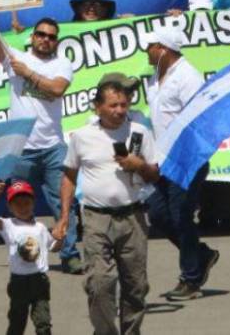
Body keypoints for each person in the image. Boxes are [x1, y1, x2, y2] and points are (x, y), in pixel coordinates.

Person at [0, 0, 82, 272]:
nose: (45, 40)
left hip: (53, 146)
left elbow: (56, 89)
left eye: (51, 36)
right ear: (32, 37)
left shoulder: (61, 63)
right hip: (22, 149)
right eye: (40, 34)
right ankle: (23, 252)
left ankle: (69, 254)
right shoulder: (15, 57)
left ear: (57, 41)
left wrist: (28, 74)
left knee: (63, 203)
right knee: (17, 204)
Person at [53, 77, 158, 335]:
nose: (120, 110)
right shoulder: (82, 137)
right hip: (96, 218)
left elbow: (155, 174)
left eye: (124, 105)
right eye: (113, 105)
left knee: (135, 286)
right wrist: (64, 217)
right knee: (100, 283)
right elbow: (68, 176)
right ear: (97, 106)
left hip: (133, 217)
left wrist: (139, 166)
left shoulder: (140, 133)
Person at [142, 23, 219, 301]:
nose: (146, 50)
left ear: (164, 49)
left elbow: (200, 117)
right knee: (159, 214)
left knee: (181, 215)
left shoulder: (187, 76)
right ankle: (200, 254)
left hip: (186, 158)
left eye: (150, 46)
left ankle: (190, 278)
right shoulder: (155, 76)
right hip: (161, 160)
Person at [0, 180, 53, 335]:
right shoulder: (8, 225)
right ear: (10, 207)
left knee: (43, 322)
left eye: (26, 203)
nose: (23, 207)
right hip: (19, 282)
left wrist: (60, 236)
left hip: (39, 281)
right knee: (17, 323)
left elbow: (53, 246)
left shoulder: (41, 228)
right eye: (17, 204)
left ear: (33, 203)